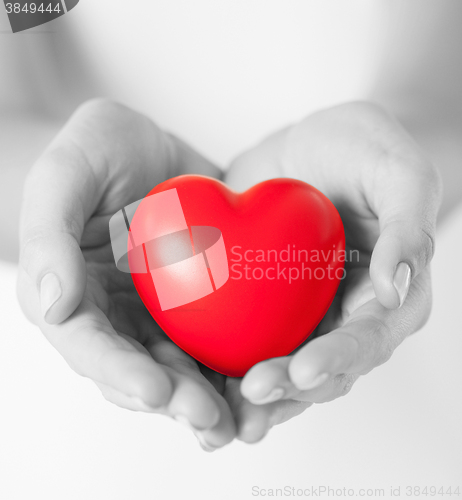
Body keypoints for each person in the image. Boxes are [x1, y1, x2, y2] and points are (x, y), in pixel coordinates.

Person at [3, 0, 461, 452]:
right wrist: (64, 204)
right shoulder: (134, 220)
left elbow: (443, 86)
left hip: (399, 383)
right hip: (72, 414)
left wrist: (391, 163)